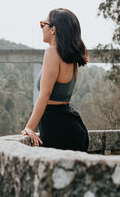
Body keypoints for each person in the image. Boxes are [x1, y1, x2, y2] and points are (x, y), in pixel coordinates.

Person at [22, 8, 89, 151]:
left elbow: (45, 94)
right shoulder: (71, 57)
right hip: (72, 126)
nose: (41, 28)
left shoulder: (52, 52)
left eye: (43, 24)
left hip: (57, 127)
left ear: (53, 30)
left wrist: (29, 127)